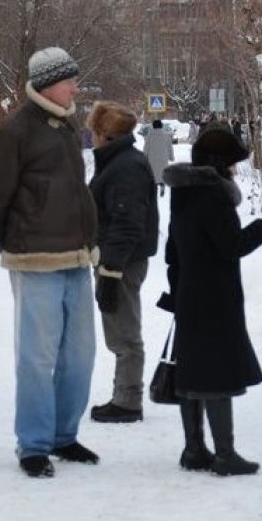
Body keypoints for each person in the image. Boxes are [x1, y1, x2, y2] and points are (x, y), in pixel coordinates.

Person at [0, 46, 100, 478]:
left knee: (81, 354)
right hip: (35, 262)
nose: (76, 88)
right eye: (70, 81)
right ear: (49, 83)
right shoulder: (16, 130)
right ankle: (33, 445)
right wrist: (14, 243)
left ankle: (64, 436)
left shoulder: (66, 128)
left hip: (77, 259)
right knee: (37, 357)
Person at [159, 121, 262, 476]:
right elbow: (231, 246)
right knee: (216, 374)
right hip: (215, 297)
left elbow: (173, 250)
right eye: (232, 163)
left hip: (189, 294)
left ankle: (194, 449)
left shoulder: (183, 193)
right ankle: (225, 455)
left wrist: (177, 289)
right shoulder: (214, 196)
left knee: (192, 370)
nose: (235, 169)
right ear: (219, 163)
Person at [85, 101, 159, 424]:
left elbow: (127, 223)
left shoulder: (125, 166)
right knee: (120, 327)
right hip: (119, 259)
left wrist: (111, 269)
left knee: (125, 330)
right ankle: (124, 394)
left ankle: (128, 401)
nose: (90, 138)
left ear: (104, 133)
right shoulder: (119, 161)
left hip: (122, 262)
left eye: (93, 132)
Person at [141, 119, 175, 197]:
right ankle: (162, 186)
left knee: (153, 175)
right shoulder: (166, 136)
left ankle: (154, 188)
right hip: (163, 158)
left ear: (153, 126)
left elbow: (146, 147)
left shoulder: (149, 136)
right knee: (162, 174)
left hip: (151, 159)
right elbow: (170, 147)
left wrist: (144, 157)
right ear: (161, 126)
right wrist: (171, 157)